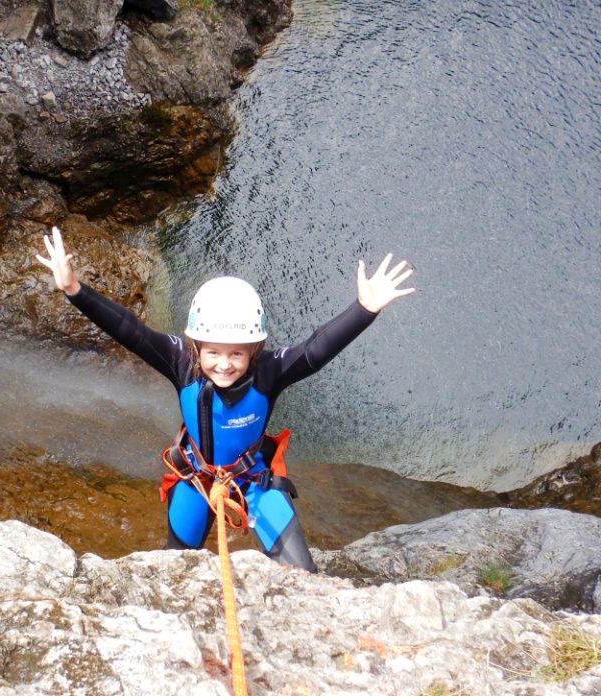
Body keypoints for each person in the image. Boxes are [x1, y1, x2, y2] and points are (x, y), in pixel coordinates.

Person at [37, 227, 414, 572]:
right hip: (196, 481)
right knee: (174, 571)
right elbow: (129, 330)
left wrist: (364, 310)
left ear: (254, 349)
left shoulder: (269, 372)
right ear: (196, 345)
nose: (224, 364)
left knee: (304, 576)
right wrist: (74, 290)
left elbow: (316, 350)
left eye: (237, 353)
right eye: (213, 352)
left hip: (253, 483)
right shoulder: (180, 362)